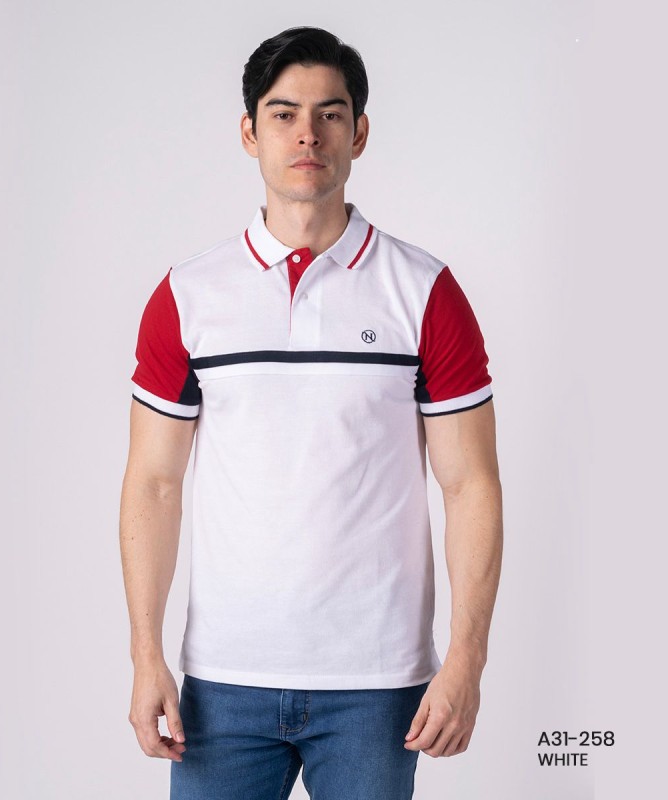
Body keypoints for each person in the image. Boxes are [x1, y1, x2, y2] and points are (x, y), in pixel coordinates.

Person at [119, 26, 503, 800]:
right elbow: (153, 483)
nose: (307, 134)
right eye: (284, 113)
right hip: (221, 685)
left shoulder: (424, 291)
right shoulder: (188, 295)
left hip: (378, 688)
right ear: (249, 133)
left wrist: (467, 658)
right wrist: (145, 655)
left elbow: (470, 485)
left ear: (359, 134)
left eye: (330, 114)